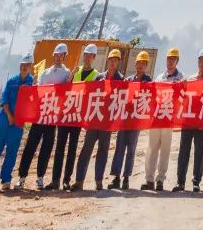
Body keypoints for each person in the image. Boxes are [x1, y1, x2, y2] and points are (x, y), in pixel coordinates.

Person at [17, 42, 71, 191]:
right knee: (30, 146)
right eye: (56, 55)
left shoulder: (67, 74)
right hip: (39, 115)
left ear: (65, 57)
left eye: (61, 55)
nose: (58, 58)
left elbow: (66, 93)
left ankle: (40, 177)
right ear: (53, 56)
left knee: (46, 149)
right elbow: (37, 91)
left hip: (52, 117)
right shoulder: (45, 73)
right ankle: (21, 177)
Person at [73, 48, 126, 191]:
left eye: (115, 61)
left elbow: (122, 100)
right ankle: (79, 180)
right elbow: (90, 97)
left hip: (107, 122)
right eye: (111, 60)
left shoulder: (121, 80)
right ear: (107, 61)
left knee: (103, 150)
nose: (112, 63)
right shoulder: (99, 77)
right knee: (86, 150)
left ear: (118, 63)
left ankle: (98, 180)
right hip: (94, 119)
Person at [51, 42, 99, 192]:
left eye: (90, 55)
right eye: (85, 55)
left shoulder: (96, 75)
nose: (87, 58)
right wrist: (70, 76)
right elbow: (65, 88)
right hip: (66, 114)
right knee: (59, 147)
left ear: (94, 57)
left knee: (72, 149)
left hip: (78, 117)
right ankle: (55, 180)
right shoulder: (75, 72)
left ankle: (66, 180)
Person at [0, 55, 34, 191]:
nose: (24, 67)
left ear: (31, 67)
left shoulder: (32, 83)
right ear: (20, 66)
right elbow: (4, 100)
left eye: (27, 65)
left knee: (12, 151)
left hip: (18, 124)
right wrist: (10, 116)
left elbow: (32, 102)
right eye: (22, 64)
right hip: (5, 120)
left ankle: (6, 180)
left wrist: (24, 118)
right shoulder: (12, 81)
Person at [143, 46, 184, 191]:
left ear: (177, 61)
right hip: (156, 118)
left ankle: (160, 179)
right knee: (152, 148)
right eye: (169, 59)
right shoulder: (160, 77)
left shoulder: (180, 79)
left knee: (165, 150)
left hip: (168, 119)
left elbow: (182, 98)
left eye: (173, 59)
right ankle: (149, 179)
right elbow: (152, 96)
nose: (170, 61)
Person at [110, 49, 153, 190]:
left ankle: (126, 177)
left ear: (146, 66)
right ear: (135, 65)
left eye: (143, 63)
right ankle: (116, 176)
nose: (140, 66)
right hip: (124, 120)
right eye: (138, 63)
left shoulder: (149, 82)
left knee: (131, 149)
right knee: (120, 148)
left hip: (136, 121)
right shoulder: (127, 81)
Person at [175, 46, 203, 193]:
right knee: (184, 151)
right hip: (188, 121)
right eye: (201, 60)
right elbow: (180, 97)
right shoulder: (189, 80)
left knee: (199, 152)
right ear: (198, 61)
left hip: (201, 123)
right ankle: (180, 182)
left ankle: (196, 181)